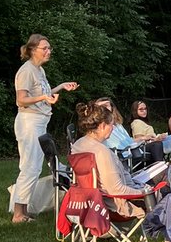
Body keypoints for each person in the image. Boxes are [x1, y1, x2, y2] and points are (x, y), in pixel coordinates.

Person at [11, 33, 79, 223]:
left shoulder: (39, 70)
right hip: (29, 123)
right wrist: (43, 98)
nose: (49, 51)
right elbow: (21, 100)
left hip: (39, 122)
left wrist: (61, 87)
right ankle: (18, 214)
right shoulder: (26, 71)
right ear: (33, 50)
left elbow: (44, 93)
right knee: (30, 167)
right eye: (45, 48)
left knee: (33, 167)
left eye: (50, 48)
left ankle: (23, 210)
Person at [70, 101, 153, 219]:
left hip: (87, 202)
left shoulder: (77, 145)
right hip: (112, 206)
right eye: (111, 124)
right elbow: (117, 190)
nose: (113, 128)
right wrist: (145, 192)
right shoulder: (102, 152)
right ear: (102, 126)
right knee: (163, 192)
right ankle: (158, 226)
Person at [130, 101, 171, 165]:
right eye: (141, 109)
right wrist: (156, 139)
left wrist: (159, 136)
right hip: (151, 146)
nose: (144, 111)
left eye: (145, 109)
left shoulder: (142, 122)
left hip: (155, 142)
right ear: (135, 111)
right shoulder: (137, 122)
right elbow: (140, 140)